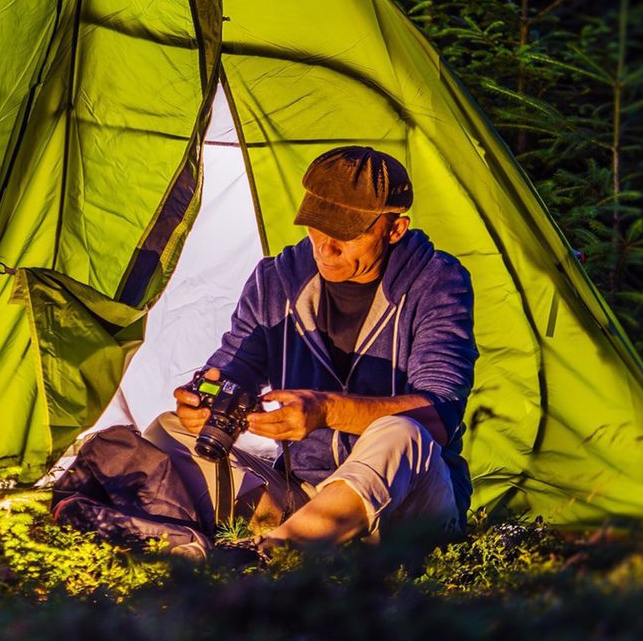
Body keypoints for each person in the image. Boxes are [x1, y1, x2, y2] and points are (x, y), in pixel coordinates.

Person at [150, 145, 477, 552]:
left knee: (402, 433)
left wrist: (327, 411)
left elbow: (440, 417)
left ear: (394, 230)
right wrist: (208, 399)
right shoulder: (276, 279)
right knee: (168, 429)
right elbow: (236, 366)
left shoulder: (437, 282)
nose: (326, 247)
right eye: (317, 227)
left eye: (346, 233)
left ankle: (272, 561)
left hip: (408, 505)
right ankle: (292, 538)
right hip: (299, 495)